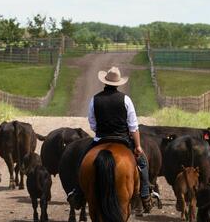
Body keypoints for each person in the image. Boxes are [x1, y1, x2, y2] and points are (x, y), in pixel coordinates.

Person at [66, 65, 159, 208]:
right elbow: (133, 126)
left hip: (100, 139)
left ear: (105, 82)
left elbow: (92, 123)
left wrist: (100, 131)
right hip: (123, 140)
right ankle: (146, 195)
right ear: (118, 83)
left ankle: (78, 193)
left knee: (82, 162)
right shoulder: (126, 99)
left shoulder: (94, 99)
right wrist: (138, 146)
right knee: (142, 163)